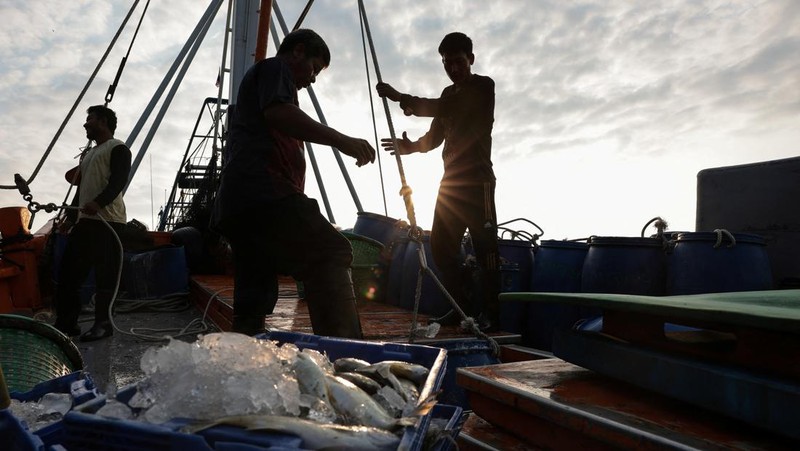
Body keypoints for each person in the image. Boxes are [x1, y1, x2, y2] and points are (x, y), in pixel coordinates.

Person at [211, 29, 376, 338]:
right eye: (314, 68)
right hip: (264, 194)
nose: (312, 79)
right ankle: (345, 353)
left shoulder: (266, 84)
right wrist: (342, 141)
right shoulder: (275, 69)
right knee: (329, 251)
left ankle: (243, 357)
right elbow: (279, 113)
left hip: (239, 203)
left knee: (254, 288)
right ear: (297, 51)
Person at [376, 32, 500, 330]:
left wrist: (401, 98)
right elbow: (434, 137)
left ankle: (491, 316)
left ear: (471, 59)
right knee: (442, 248)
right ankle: (461, 309)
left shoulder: (483, 87)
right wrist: (411, 147)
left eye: (458, 62)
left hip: (477, 182)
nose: (453, 68)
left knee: (486, 252)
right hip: (450, 185)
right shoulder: (447, 94)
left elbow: (447, 109)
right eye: (447, 63)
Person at [53, 105, 131, 341]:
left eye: (90, 119)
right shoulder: (87, 156)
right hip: (86, 221)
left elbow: (118, 181)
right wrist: (70, 218)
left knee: (105, 276)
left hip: (109, 222)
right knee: (68, 274)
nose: (86, 124)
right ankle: (67, 324)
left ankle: (103, 325)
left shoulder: (118, 149)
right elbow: (81, 192)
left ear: (103, 121)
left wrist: (98, 203)